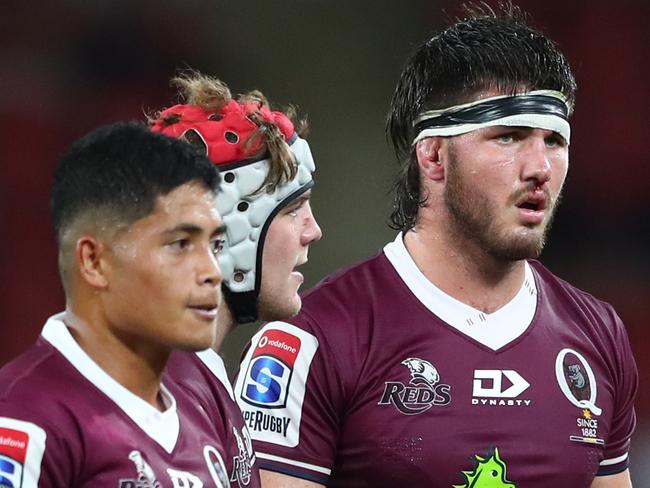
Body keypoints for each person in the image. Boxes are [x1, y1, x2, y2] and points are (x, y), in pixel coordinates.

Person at [233, 5, 638, 488]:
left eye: (554, 140)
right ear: (434, 156)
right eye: (509, 136)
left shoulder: (599, 334)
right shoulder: (313, 339)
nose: (540, 168)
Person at [0, 122, 235, 486]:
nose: (212, 271)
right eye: (180, 244)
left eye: (215, 246)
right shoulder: (23, 419)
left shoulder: (201, 411)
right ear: (94, 262)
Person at [149, 73, 321, 487]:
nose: (313, 230)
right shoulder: (154, 396)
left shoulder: (198, 380)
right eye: (294, 208)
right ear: (226, 227)